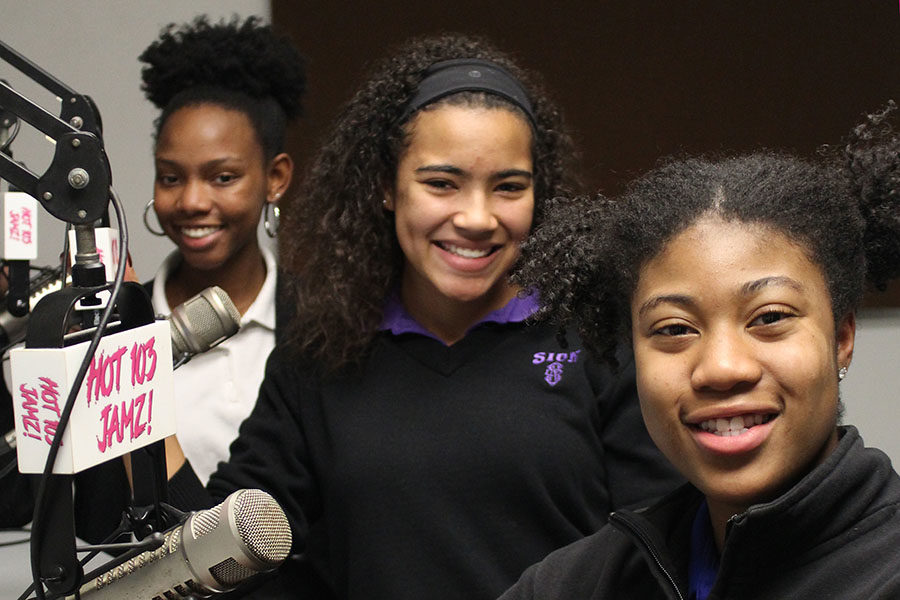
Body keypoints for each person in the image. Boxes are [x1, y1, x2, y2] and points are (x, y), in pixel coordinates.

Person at [157, 33, 682, 600]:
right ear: (386, 186)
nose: (477, 218)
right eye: (441, 183)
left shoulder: (599, 339)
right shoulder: (323, 353)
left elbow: (662, 553)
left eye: (508, 187)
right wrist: (137, 411)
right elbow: (226, 559)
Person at [501, 103, 900, 599]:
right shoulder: (572, 585)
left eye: (770, 318)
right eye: (674, 328)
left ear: (841, 338)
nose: (722, 368)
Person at [73, 14, 305, 545]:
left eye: (223, 177)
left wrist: (129, 391)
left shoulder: (320, 332)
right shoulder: (116, 329)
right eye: (171, 177)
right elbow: (84, 518)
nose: (193, 200)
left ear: (276, 178)